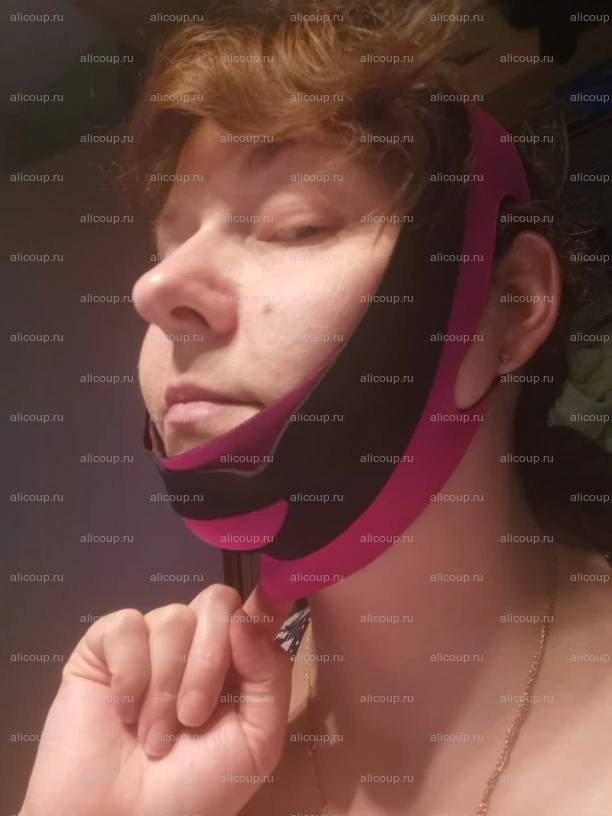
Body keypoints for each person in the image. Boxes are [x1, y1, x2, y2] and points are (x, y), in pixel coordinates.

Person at [19, 2, 612, 815]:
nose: (153, 290)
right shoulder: (187, 754)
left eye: (295, 226)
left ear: (511, 301)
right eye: (168, 246)